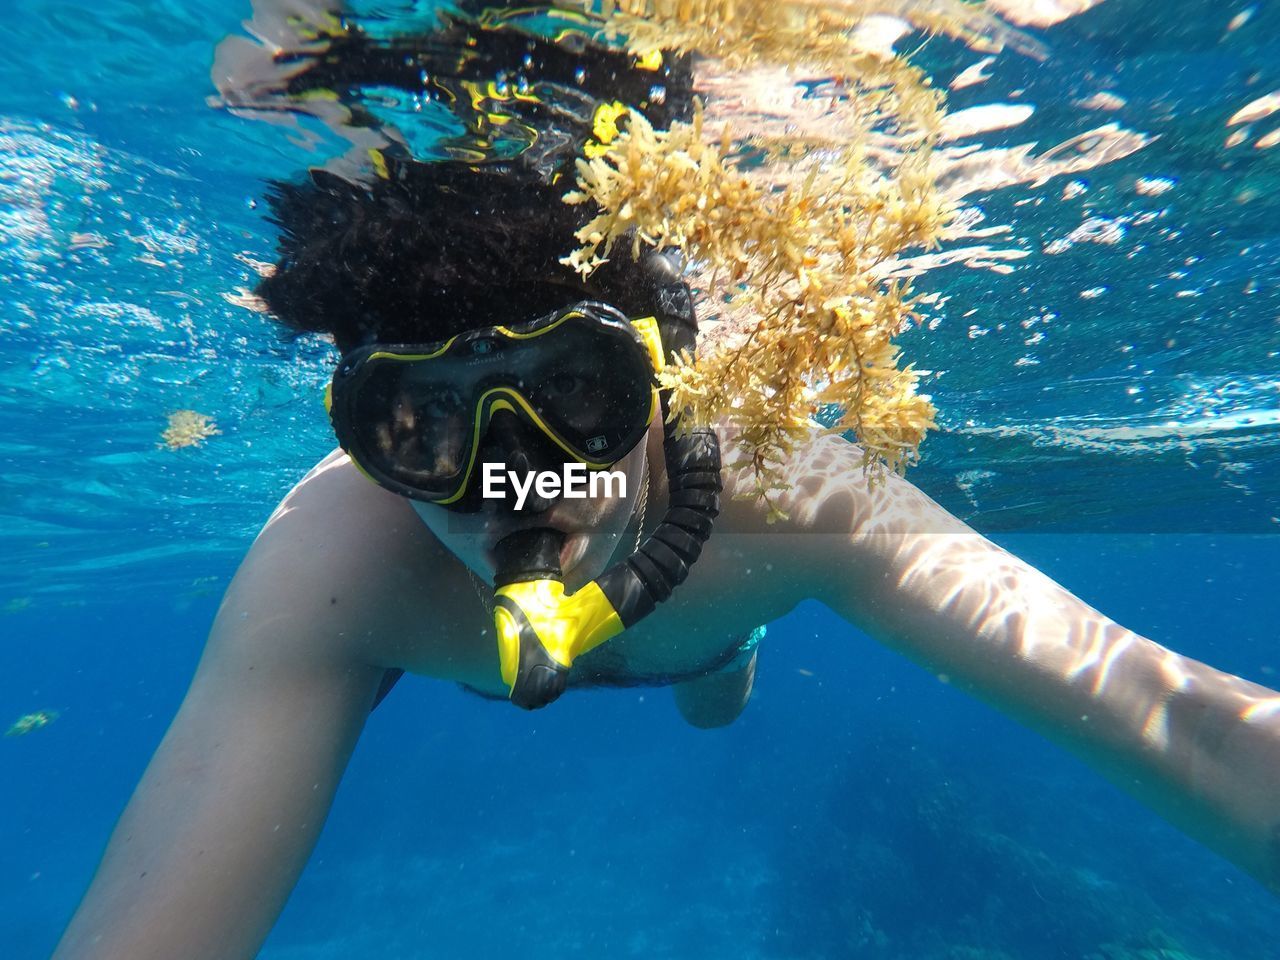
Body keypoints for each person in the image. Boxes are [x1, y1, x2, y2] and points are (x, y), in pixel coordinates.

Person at [51, 5, 1280, 959]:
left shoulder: (792, 498)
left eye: (575, 394)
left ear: (661, 382)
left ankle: (722, 653)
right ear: (365, 436)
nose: (514, 484)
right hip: (516, 651)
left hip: (704, 628)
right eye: (421, 423)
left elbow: (1182, 723)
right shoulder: (333, 566)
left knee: (713, 688)